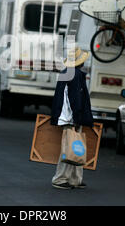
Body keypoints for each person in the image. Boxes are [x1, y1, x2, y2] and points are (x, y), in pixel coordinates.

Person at [50, 46, 93, 190]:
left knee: (74, 147)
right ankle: (60, 179)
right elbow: (76, 98)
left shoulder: (66, 72)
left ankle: (75, 179)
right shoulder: (76, 74)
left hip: (65, 116)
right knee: (71, 148)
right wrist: (78, 117)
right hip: (71, 117)